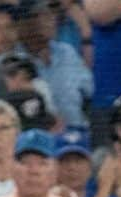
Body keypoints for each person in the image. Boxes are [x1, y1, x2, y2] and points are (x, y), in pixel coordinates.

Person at [13, 0, 94, 128]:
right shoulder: (13, 61)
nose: (51, 19)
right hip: (36, 140)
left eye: (51, 14)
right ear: (23, 23)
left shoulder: (66, 52)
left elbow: (90, 90)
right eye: (42, 15)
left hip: (77, 137)